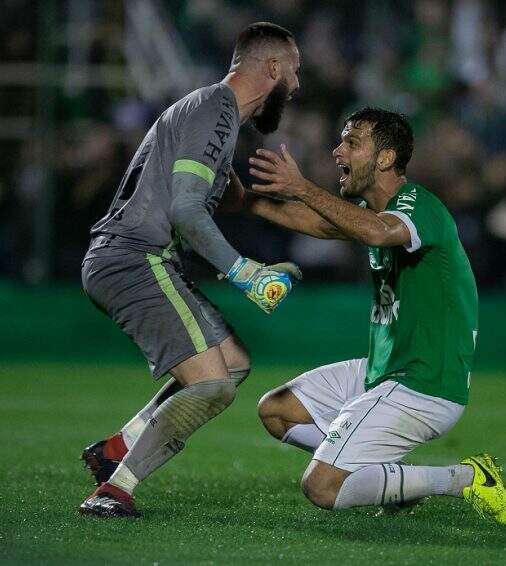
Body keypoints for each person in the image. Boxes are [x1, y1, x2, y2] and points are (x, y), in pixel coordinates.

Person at [246, 107, 506, 524]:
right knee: (277, 410)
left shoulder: (418, 205)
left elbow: (376, 232)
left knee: (321, 487)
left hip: (424, 384)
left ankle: (465, 478)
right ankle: (390, 481)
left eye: (352, 142)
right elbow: (321, 224)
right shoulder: (371, 214)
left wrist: (301, 186)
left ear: (386, 158)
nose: (338, 150)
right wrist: (243, 201)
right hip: (383, 371)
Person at [77, 22, 302, 518]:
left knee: (235, 362)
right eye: (295, 70)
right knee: (213, 386)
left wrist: (276, 197)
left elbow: (208, 199)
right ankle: (114, 490)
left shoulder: (211, 116)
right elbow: (185, 210)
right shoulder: (215, 109)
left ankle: (118, 448)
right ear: (271, 68)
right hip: (135, 257)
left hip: (132, 255)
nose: (298, 83)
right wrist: (247, 275)